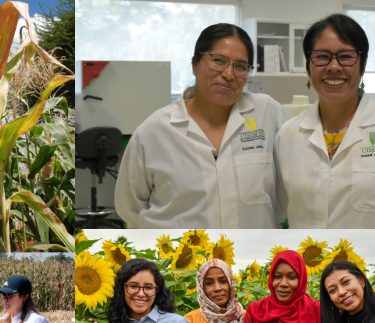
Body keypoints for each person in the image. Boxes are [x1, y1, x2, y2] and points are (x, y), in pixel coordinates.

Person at [115, 24, 291, 227]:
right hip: (179, 255)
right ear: (195, 64)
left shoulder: (266, 112)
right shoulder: (154, 131)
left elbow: (302, 168)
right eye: (218, 61)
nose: (229, 74)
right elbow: (129, 208)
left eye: (241, 66)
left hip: (251, 252)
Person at [275, 14, 375, 228]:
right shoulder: (287, 136)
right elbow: (278, 212)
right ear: (308, 66)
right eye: (322, 56)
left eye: (346, 56)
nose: (334, 67)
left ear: (363, 65)